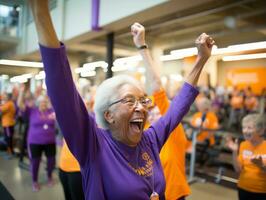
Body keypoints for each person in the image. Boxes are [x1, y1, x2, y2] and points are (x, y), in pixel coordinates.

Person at [29, 0, 214, 199]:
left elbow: (178, 108)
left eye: (142, 101)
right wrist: (41, 11)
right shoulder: (93, 145)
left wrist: (201, 60)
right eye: (129, 100)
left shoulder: (148, 140)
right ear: (109, 115)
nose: (141, 108)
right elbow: (62, 89)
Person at [131, 22, 190, 200]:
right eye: (151, 111)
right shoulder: (147, 133)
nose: (154, 112)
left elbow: (157, 84)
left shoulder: (172, 129)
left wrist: (142, 47)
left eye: (158, 110)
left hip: (174, 194)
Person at [17, 88, 56, 192]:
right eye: (41, 102)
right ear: (38, 103)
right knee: (35, 162)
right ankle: (34, 181)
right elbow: (20, 104)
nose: (43, 103)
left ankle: (49, 177)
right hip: (35, 142)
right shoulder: (32, 111)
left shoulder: (51, 111)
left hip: (50, 141)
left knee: (51, 161)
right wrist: (21, 92)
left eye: (45, 102)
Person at [226, 114, 266, 200]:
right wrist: (234, 151)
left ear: (260, 131)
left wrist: (262, 165)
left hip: (262, 192)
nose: (245, 131)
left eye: (249, 128)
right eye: (244, 127)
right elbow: (238, 169)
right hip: (243, 188)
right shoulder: (243, 145)